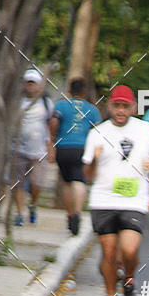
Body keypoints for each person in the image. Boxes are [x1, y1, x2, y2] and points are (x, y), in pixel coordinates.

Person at [82, 85, 149, 296]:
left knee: (128, 249)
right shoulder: (97, 132)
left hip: (133, 200)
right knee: (108, 252)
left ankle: (128, 279)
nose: (121, 110)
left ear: (133, 107)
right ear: (110, 106)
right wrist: (95, 160)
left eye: (126, 106)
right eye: (117, 105)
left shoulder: (145, 129)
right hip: (103, 200)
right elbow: (87, 176)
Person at [49, 77, 101, 235]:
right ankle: (78, 212)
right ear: (84, 92)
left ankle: (70, 214)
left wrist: (53, 140)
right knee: (79, 180)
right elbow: (98, 130)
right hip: (82, 148)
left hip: (63, 147)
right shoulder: (92, 109)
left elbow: (53, 122)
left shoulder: (61, 105)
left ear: (70, 90)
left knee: (66, 182)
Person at [12, 69, 54, 226]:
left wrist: (50, 146)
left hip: (39, 151)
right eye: (27, 83)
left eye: (33, 83)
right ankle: (19, 213)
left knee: (37, 183)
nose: (30, 86)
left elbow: (50, 124)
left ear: (38, 86)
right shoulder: (17, 101)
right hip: (18, 149)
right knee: (19, 183)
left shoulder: (46, 102)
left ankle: (33, 204)